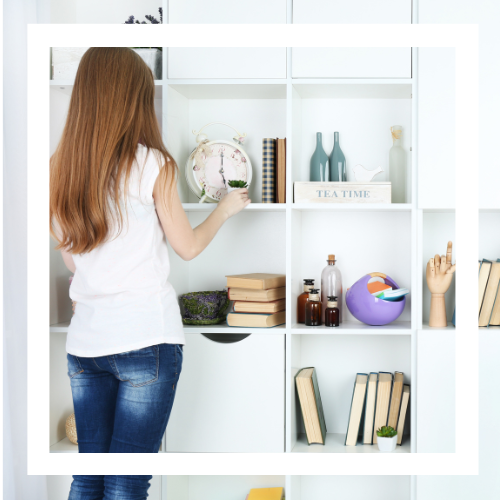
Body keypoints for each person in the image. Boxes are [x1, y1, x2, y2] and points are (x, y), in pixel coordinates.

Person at [50, 47, 250, 499]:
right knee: (126, 482)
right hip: (146, 339)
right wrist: (224, 209)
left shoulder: (58, 170)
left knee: (88, 478)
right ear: (131, 99)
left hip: (85, 346)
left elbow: (71, 258)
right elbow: (188, 246)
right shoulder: (152, 164)